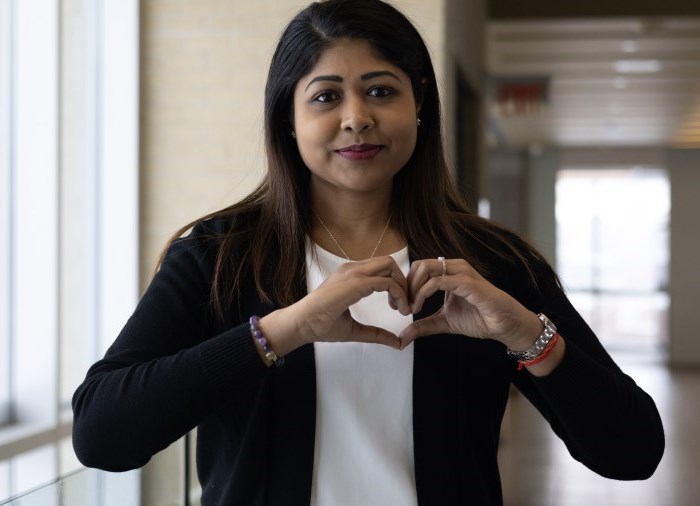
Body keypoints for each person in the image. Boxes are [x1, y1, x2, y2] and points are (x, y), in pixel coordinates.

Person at [71, 0, 665, 504]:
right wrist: (282, 330)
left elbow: (633, 453)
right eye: (326, 97)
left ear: (419, 103)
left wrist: (525, 333)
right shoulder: (217, 256)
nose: (357, 119)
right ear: (289, 118)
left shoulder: (495, 264)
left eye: (381, 90)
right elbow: (101, 435)